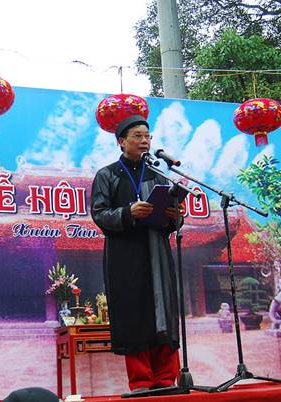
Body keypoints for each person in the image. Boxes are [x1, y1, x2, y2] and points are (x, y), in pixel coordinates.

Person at [90, 114, 183, 392]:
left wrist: (175, 216)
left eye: (147, 136)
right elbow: (99, 214)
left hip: (157, 252)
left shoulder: (159, 175)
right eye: (137, 136)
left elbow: (173, 221)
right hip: (125, 256)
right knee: (133, 313)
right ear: (121, 142)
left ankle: (166, 379)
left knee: (164, 311)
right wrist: (128, 212)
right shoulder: (107, 175)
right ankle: (142, 381)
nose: (144, 141)